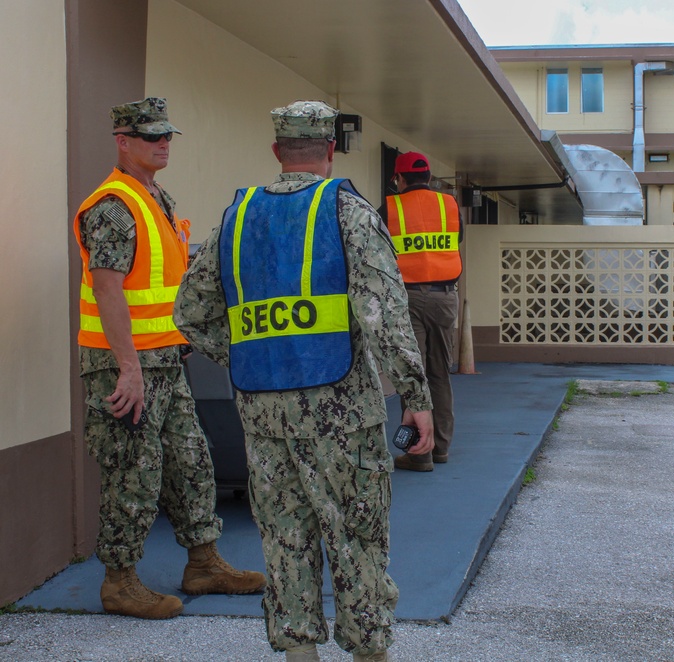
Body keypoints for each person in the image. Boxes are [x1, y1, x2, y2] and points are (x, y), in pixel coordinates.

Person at [174, 100, 435, 662]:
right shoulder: (348, 213)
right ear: (330, 150)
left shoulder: (235, 218)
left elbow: (190, 313)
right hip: (344, 411)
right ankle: (369, 652)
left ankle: (299, 654)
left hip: (262, 414)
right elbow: (385, 314)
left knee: (284, 542)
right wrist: (416, 399)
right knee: (357, 540)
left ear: (276, 151)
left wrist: (247, 355)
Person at [72, 97, 265, 620]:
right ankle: (119, 582)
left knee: (191, 464)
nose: (163, 144)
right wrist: (129, 369)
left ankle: (204, 563)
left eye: (167, 135)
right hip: (125, 367)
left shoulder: (155, 197)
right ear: (123, 141)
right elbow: (109, 290)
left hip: (165, 363)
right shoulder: (113, 205)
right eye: (151, 135)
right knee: (132, 473)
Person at [380, 152, 463, 472]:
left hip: (407, 299)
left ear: (399, 179)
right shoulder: (451, 205)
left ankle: (418, 453)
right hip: (445, 298)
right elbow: (455, 244)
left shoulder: (389, 207)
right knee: (440, 374)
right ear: (429, 178)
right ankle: (440, 448)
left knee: (413, 374)